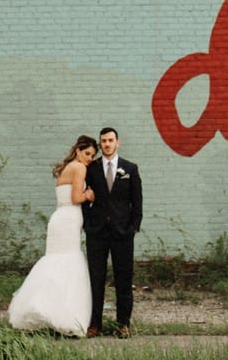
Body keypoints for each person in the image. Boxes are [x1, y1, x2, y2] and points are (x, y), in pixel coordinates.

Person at [7, 135, 99, 336]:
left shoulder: (66, 168)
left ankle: (45, 307)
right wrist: (89, 195)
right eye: (87, 153)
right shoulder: (79, 167)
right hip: (68, 220)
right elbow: (76, 198)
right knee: (68, 262)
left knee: (54, 262)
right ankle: (62, 313)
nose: (90, 158)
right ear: (78, 151)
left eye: (93, 155)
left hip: (59, 218)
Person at [83, 126, 142, 338]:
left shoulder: (130, 169)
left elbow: (137, 202)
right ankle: (94, 324)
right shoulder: (92, 169)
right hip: (97, 233)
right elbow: (85, 196)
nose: (107, 144)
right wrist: (87, 224)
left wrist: (133, 228)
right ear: (100, 145)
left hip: (122, 234)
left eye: (110, 140)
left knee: (123, 280)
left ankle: (123, 324)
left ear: (118, 143)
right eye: (103, 141)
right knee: (95, 279)